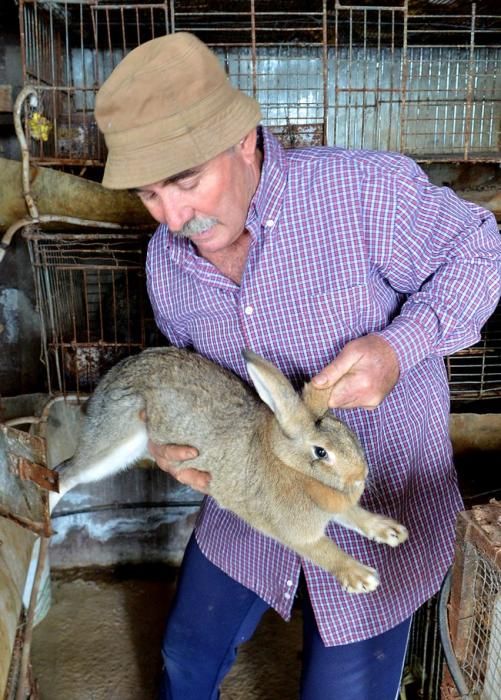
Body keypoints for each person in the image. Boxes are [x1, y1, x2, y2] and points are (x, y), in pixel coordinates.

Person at [94, 32, 501, 700]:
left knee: (340, 691)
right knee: (184, 660)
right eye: (148, 197)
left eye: (186, 183)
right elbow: (185, 377)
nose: (173, 218)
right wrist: (162, 440)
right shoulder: (167, 266)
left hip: (371, 493)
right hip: (253, 495)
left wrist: (400, 345)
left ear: (245, 143)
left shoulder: (360, 191)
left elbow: (480, 252)